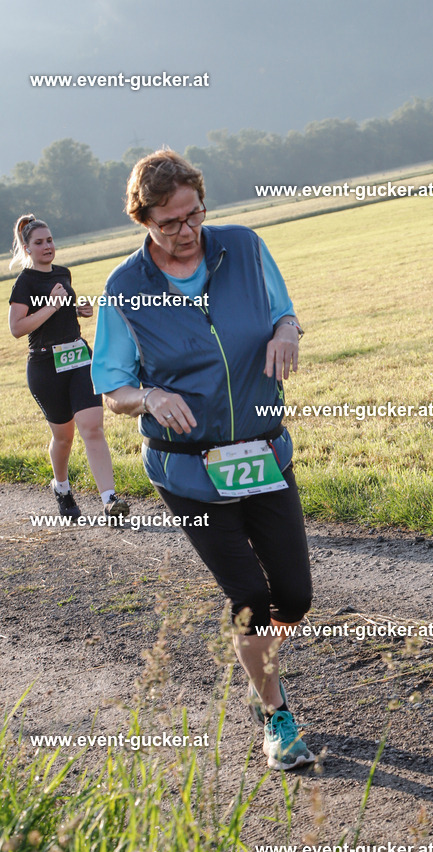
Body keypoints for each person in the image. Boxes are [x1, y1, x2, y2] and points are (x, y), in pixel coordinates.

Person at [91, 149, 315, 771]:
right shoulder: (124, 288)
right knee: (247, 594)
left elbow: (282, 310)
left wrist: (288, 331)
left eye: (194, 215)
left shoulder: (241, 248)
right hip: (187, 470)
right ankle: (274, 712)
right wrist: (151, 396)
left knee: (292, 595)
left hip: (263, 453)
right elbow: (113, 387)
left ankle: (260, 668)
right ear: (143, 221)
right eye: (169, 223)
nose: (186, 232)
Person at [8, 215, 130, 521]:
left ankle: (110, 500)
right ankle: (61, 488)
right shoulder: (25, 282)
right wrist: (51, 306)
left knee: (92, 427)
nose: (47, 246)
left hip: (78, 358)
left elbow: (60, 313)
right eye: (39, 242)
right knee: (64, 437)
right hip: (45, 366)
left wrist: (77, 310)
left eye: (49, 240)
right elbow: (17, 328)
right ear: (27, 247)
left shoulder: (63, 273)